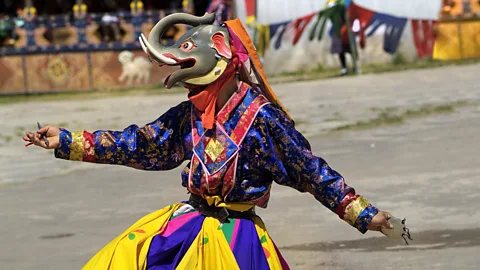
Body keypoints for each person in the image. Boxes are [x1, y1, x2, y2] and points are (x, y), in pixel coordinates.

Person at [25, 13, 394, 269]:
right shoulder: (188, 115)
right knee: (124, 257)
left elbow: (310, 171)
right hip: (188, 224)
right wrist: (67, 140)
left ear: (219, 53)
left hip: (239, 238)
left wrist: (363, 213)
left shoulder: (262, 118)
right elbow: (139, 144)